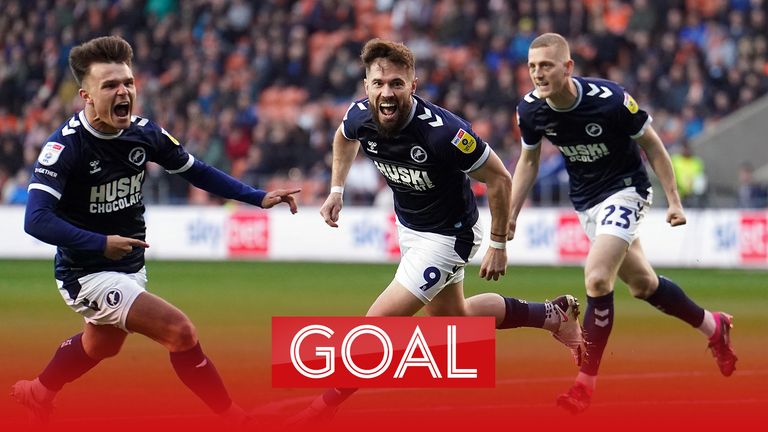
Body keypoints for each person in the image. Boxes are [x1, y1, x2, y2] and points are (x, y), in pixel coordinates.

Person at [287, 38, 584, 426]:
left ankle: (316, 412)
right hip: (411, 229)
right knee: (456, 318)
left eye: (396, 83)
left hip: (449, 236)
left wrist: (498, 243)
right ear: (366, 86)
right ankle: (553, 315)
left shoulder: (443, 133)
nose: (387, 92)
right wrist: (336, 190)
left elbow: (499, 178)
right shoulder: (360, 116)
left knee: (376, 327)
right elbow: (344, 138)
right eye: (378, 84)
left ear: (413, 84)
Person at [11, 35, 300, 427]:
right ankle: (233, 418)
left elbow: (196, 171)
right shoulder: (66, 148)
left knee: (102, 345)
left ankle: (38, 392)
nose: (123, 91)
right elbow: (36, 219)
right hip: (85, 273)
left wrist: (258, 196)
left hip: (128, 264)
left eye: (128, 83)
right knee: (180, 333)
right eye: (110, 85)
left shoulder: (144, 133)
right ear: (86, 96)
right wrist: (100, 243)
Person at [511, 33, 738, 414]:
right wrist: (509, 218)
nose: (537, 74)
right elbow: (528, 162)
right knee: (643, 285)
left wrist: (675, 200)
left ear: (568, 67)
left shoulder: (611, 100)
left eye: (546, 65)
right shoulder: (531, 110)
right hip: (587, 203)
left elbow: (653, 145)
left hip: (627, 191)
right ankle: (714, 327)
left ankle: (584, 385)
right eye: (532, 66)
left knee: (598, 277)